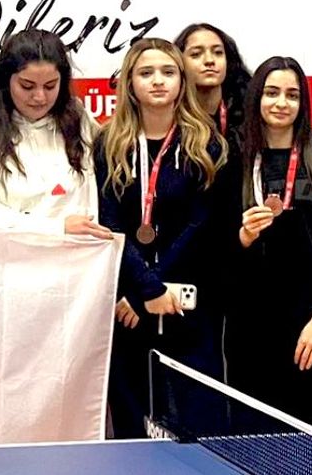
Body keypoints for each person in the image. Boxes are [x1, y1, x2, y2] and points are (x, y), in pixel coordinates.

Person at [93, 38, 227, 439]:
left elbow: (201, 225)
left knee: (197, 429)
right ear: (129, 83)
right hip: (128, 308)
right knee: (134, 428)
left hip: (189, 306)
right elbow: (110, 225)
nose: (157, 81)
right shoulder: (107, 143)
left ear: (182, 81)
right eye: (146, 73)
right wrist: (142, 289)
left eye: (168, 72)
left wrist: (154, 289)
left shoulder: (207, 143)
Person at [231, 56, 312, 431]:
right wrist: (243, 237)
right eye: (271, 93)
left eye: (292, 95)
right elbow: (215, 251)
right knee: (255, 436)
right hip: (252, 325)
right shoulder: (234, 162)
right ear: (256, 98)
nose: (281, 103)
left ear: (303, 103)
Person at [0, 29, 110, 238]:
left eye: (50, 86)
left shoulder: (78, 118)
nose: (40, 97)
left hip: (81, 254)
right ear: (5, 81)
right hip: (11, 254)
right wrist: (57, 227)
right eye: (27, 86)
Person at [172, 22, 252, 140]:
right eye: (196, 54)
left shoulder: (247, 116)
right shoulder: (168, 119)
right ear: (179, 62)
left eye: (218, 53)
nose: (209, 60)